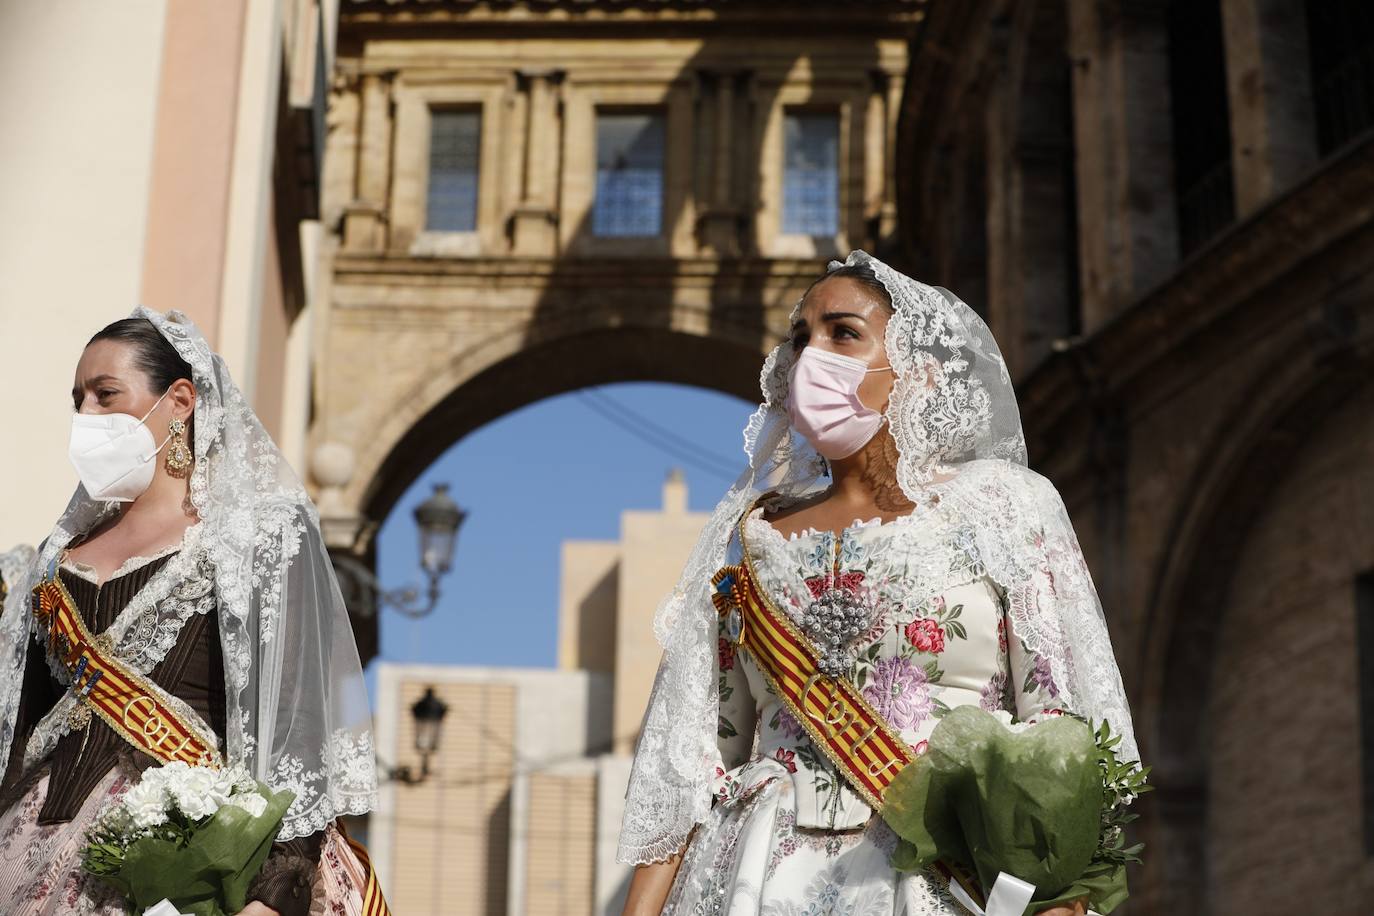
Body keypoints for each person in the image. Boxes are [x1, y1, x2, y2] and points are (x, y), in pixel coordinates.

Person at [617, 251, 1140, 916]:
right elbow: (693, 761)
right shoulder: (754, 536)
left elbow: (1059, 718)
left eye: (844, 334)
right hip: (757, 878)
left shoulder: (1004, 507)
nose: (814, 357)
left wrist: (1062, 895)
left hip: (946, 878)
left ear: (916, 368)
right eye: (802, 338)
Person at [0, 309, 381, 916]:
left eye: (106, 395)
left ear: (179, 401)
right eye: (79, 401)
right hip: (29, 845)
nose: (87, 418)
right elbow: (21, 725)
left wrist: (274, 894)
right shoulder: (58, 555)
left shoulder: (255, 537)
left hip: (188, 854)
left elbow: (296, 726)